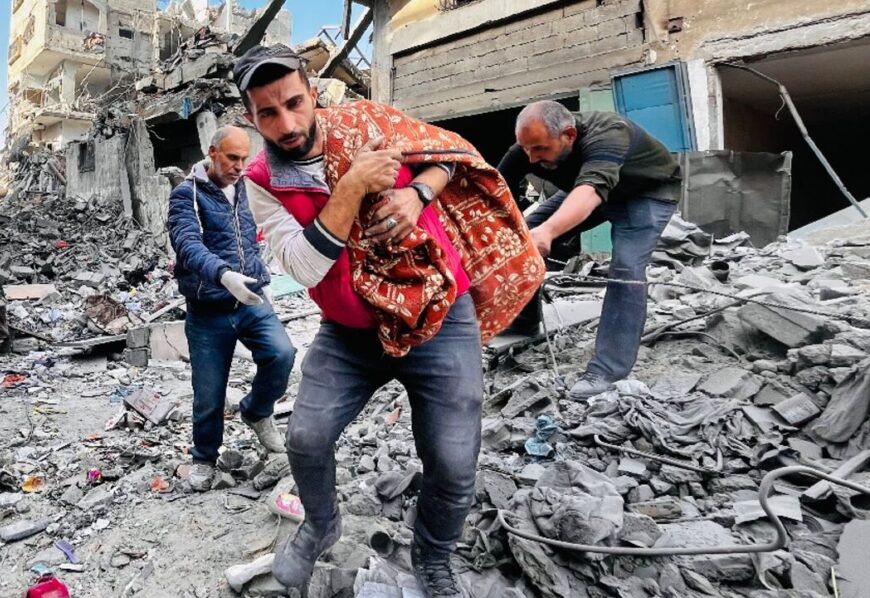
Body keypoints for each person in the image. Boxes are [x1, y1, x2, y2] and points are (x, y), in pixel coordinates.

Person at [235, 45, 543, 596]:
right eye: (268, 113)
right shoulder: (261, 179)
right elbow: (304, 266)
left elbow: (450, 156)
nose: (287, 124)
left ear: (312, 93)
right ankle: (321, 523)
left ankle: (434, 556)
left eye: (294, 103)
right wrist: (353, 185)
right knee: (305, 438)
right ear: (250, 117)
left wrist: (417, 194)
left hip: (438, 315)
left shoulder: (368, 121)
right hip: (350, 332)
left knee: (453, 460)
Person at [497, 100, 681, 398]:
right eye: (527, 149)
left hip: (645, 193)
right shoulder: (529, 147)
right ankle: (525, 322)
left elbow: (590, 191)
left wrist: (548, 232)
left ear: (569, 135)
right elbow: (491, 190)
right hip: (589, 190)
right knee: (522, 239)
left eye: (540, 149)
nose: (531, 158)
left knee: (626, 269)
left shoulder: (609, 133)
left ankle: (607, 371)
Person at [167, 125, 296, 492]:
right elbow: (187, 244)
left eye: (244, 158)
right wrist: (223, 275)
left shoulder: (248, 187)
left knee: (282, 353)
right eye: (232, 158)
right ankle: (204, 459)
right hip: (208, 309)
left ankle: (256, 411)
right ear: (212, 152)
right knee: (209, 393)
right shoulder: (187, 195)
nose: (240, 166)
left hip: (251, 299)